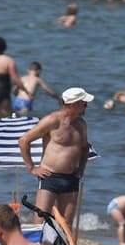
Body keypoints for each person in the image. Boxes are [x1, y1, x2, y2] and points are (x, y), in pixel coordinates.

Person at [17, 87, 96, 232]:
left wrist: (81, 168)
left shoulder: (81, 124)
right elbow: (24, 141)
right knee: (40, 222)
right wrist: (32, 168)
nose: (87, 106)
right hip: (50, 177)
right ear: (73, 104)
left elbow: (85, 148)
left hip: (71, 178)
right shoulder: (52, 120)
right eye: (84, 103)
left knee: (66, 226)